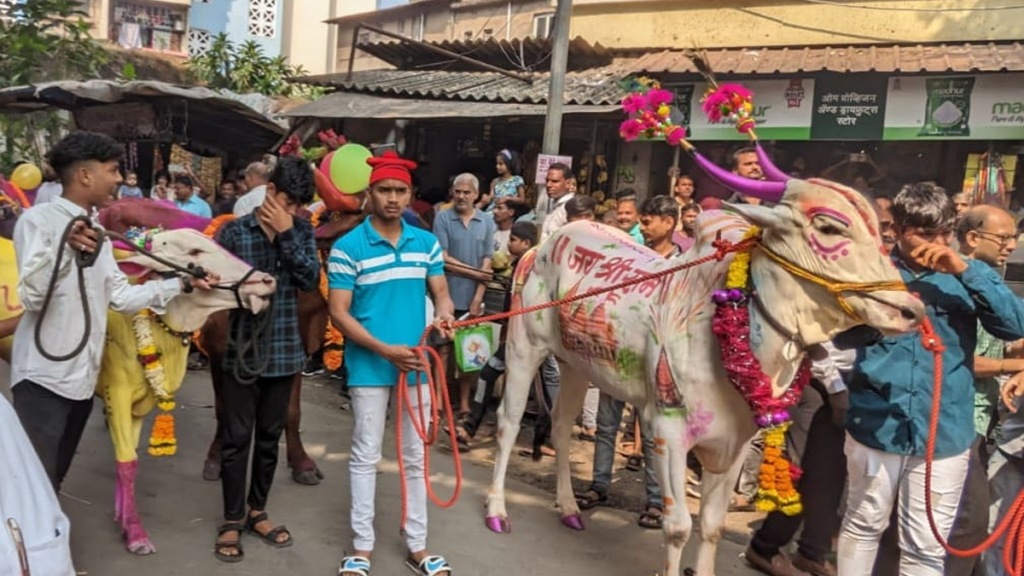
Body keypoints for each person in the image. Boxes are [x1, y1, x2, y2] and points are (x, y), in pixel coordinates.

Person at [834, 183, 1024, 576]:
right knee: (863, 524)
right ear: (899, 230)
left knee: (923, 543)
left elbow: (1015, 325)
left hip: (944, 434)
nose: (935, 243)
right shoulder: (872, 271)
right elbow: (839, 335)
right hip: (877, 424)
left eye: (943, 233)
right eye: (923, 233)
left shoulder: (970, 274)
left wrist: (964, 270)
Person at [11, 131, 215, 494]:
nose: (120, 179)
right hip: (43, 376)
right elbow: (33, 297)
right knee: (31, 484)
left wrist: (180, 285)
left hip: (81, 378)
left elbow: (119, 296)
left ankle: (45, 546)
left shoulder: (98, 232)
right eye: (114, 170)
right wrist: (65, 251)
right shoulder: (38, 221)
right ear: (85, 175)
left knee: (52, 479)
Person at [328, 151, 455, 576]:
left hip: (417, 363)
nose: (393, 198)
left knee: (416, 456)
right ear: (370, 193)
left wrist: (446, 313)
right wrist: (384, 350)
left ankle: (418, 546)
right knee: (365, 455)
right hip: (370, 365)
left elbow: (440, 291)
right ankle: (361, 548)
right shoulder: (348, 248)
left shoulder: (426, 243)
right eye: (385, 190)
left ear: (410, 194)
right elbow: (339, 313)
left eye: (401, 191)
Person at [211, 157, 320, 562]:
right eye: (288, 202)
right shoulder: (234, 232)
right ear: (270, 192)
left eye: (299, 206)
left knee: (270, 438)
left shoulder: (302, 231)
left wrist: (288, 234)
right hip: (242, 351)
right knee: (237, 437)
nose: (293, 211)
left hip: (285, 353)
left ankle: (258, 511)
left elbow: (308, 279)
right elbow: (211, 281)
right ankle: (231, 518)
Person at [745, 342, 851, 576]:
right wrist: (836, 388)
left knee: (830, 475)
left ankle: (812, 552)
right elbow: (813, 340)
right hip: (814, 381)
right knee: (801, 472)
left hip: (850, 384)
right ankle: (765, 547)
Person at [452, 221, 537, 447]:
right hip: (514, 339)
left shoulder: (532, 269)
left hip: (533, 341)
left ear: (526, 243)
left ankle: (543, 440)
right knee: (487, 374)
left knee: (546, 390)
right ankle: (470, 428)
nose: (509, 243)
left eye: (513, 240)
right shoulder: (519, 265)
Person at [432, 173, 495, 415]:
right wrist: (476, 274)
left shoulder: (487, 221)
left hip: (473, 299)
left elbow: (487, 262)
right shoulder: (443, 218)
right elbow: (443, 260)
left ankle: (465, 403)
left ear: (476, 195)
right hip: (446, 293)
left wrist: (478, 296)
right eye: (458, 191)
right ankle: (439, 401)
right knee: (443, 350)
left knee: (471, 353)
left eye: (467, 192)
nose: (461, 196)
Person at [539, 163, 576, 243]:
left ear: (568, 184)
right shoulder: (553, 204)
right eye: (547, 180)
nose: (549, 185)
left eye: (555, 181)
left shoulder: (572, 208)